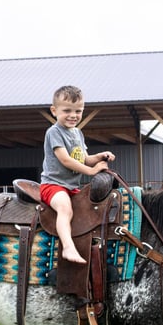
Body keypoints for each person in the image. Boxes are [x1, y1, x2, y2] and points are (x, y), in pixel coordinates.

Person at [40, 85, 115, 264]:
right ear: (54, 110)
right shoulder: (54, 132)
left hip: (72, 187)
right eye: (67, 110)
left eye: (78, 111)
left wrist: (99, 157)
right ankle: (67, 247)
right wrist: (91, 171)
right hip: (53, 185)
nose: (73, 115)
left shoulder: (77, 133)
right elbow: (65, 160)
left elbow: (83, 158)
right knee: (65, 209)